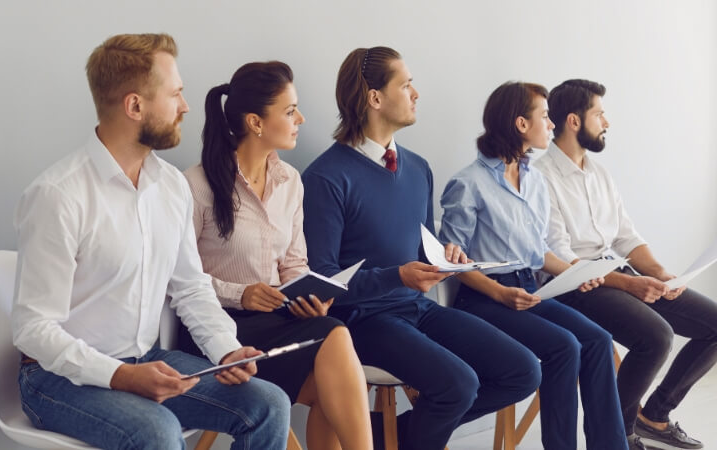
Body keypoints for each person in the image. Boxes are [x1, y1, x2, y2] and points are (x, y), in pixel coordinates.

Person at [11, 33, 290, 450]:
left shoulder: (171, 186)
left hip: (143, 360)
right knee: (157, 431)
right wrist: (121, 376)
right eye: (175, 93)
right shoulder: (58, 195)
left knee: (268, 404)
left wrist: (227, 351)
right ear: (135, 105)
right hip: (56, 378)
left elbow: (190, 286)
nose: (186, 106)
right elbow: (33, 329)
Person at [301, 46, 541, 450]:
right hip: (362, 321)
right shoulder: (326, 177)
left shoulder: (417, 168)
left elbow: (422, 249)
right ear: (375, 98)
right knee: (459, 384)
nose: (415, 93)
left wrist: (446, 258)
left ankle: (387, 439)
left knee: (523, 370)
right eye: (406, 84)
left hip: (418, 308)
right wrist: (397, 276)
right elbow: (325, 283)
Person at [179, 60, 373, 450]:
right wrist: (241, 293)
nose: (301, 118)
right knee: (334, 344)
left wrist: (307, 296)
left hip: (277, 320)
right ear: (255, 122)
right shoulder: (195, 186)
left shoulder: (291, 182)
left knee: (332, 337)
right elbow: (179, 279)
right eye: (289, 111)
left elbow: (294, 264)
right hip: (218, 329)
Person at [439, 81, 631, 450]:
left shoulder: (535, 181)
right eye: (544, 116)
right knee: (564, 347)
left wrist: (574, 273)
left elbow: (539, 251)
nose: (551, 124)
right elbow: (452, 263)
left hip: (531, 289)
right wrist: (499, 292)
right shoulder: (468, 183)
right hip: (485, 297)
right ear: (520, 124)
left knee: (598, 341)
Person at [534, 78, 717, 449]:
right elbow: (563, 257)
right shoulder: (540, 177)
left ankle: (656, 415)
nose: (607, 122)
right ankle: (615, 435)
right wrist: (630, 282)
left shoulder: (599, 175)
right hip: (575, 286)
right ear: (573, 121)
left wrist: (662, 274)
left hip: (616, 274)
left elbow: (626, 238)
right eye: (599, 114)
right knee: (656, 337)